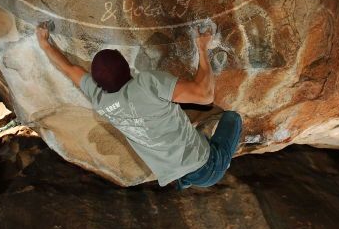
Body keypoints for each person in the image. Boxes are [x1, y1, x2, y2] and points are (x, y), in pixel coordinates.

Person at [37, 24, 243, 189]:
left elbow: (69, 69)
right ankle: (224, 158)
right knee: (233, 118)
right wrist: (202, 49)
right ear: (127, 67)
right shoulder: (146, 84)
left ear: (98, 83)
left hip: (176, 175)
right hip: (209, 168)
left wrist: (45, 45)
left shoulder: (101, 100)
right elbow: (205, 95)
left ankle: (196, 155)